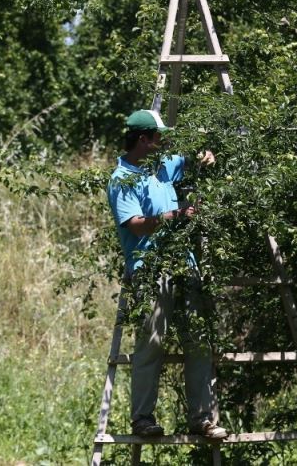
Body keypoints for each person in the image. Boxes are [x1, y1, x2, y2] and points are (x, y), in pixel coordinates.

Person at [106, 109, 228, 439]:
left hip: (183, 264)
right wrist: (174, 215)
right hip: (149, 270)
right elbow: (136, 225)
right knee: (152, 343)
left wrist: (204, 155)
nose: (166, 142)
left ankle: (202, 418)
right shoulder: (122, 179)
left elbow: (192, 158)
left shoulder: (163, 165)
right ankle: (143, 419)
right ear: (144, 140)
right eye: (160, 137)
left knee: (199, 340)